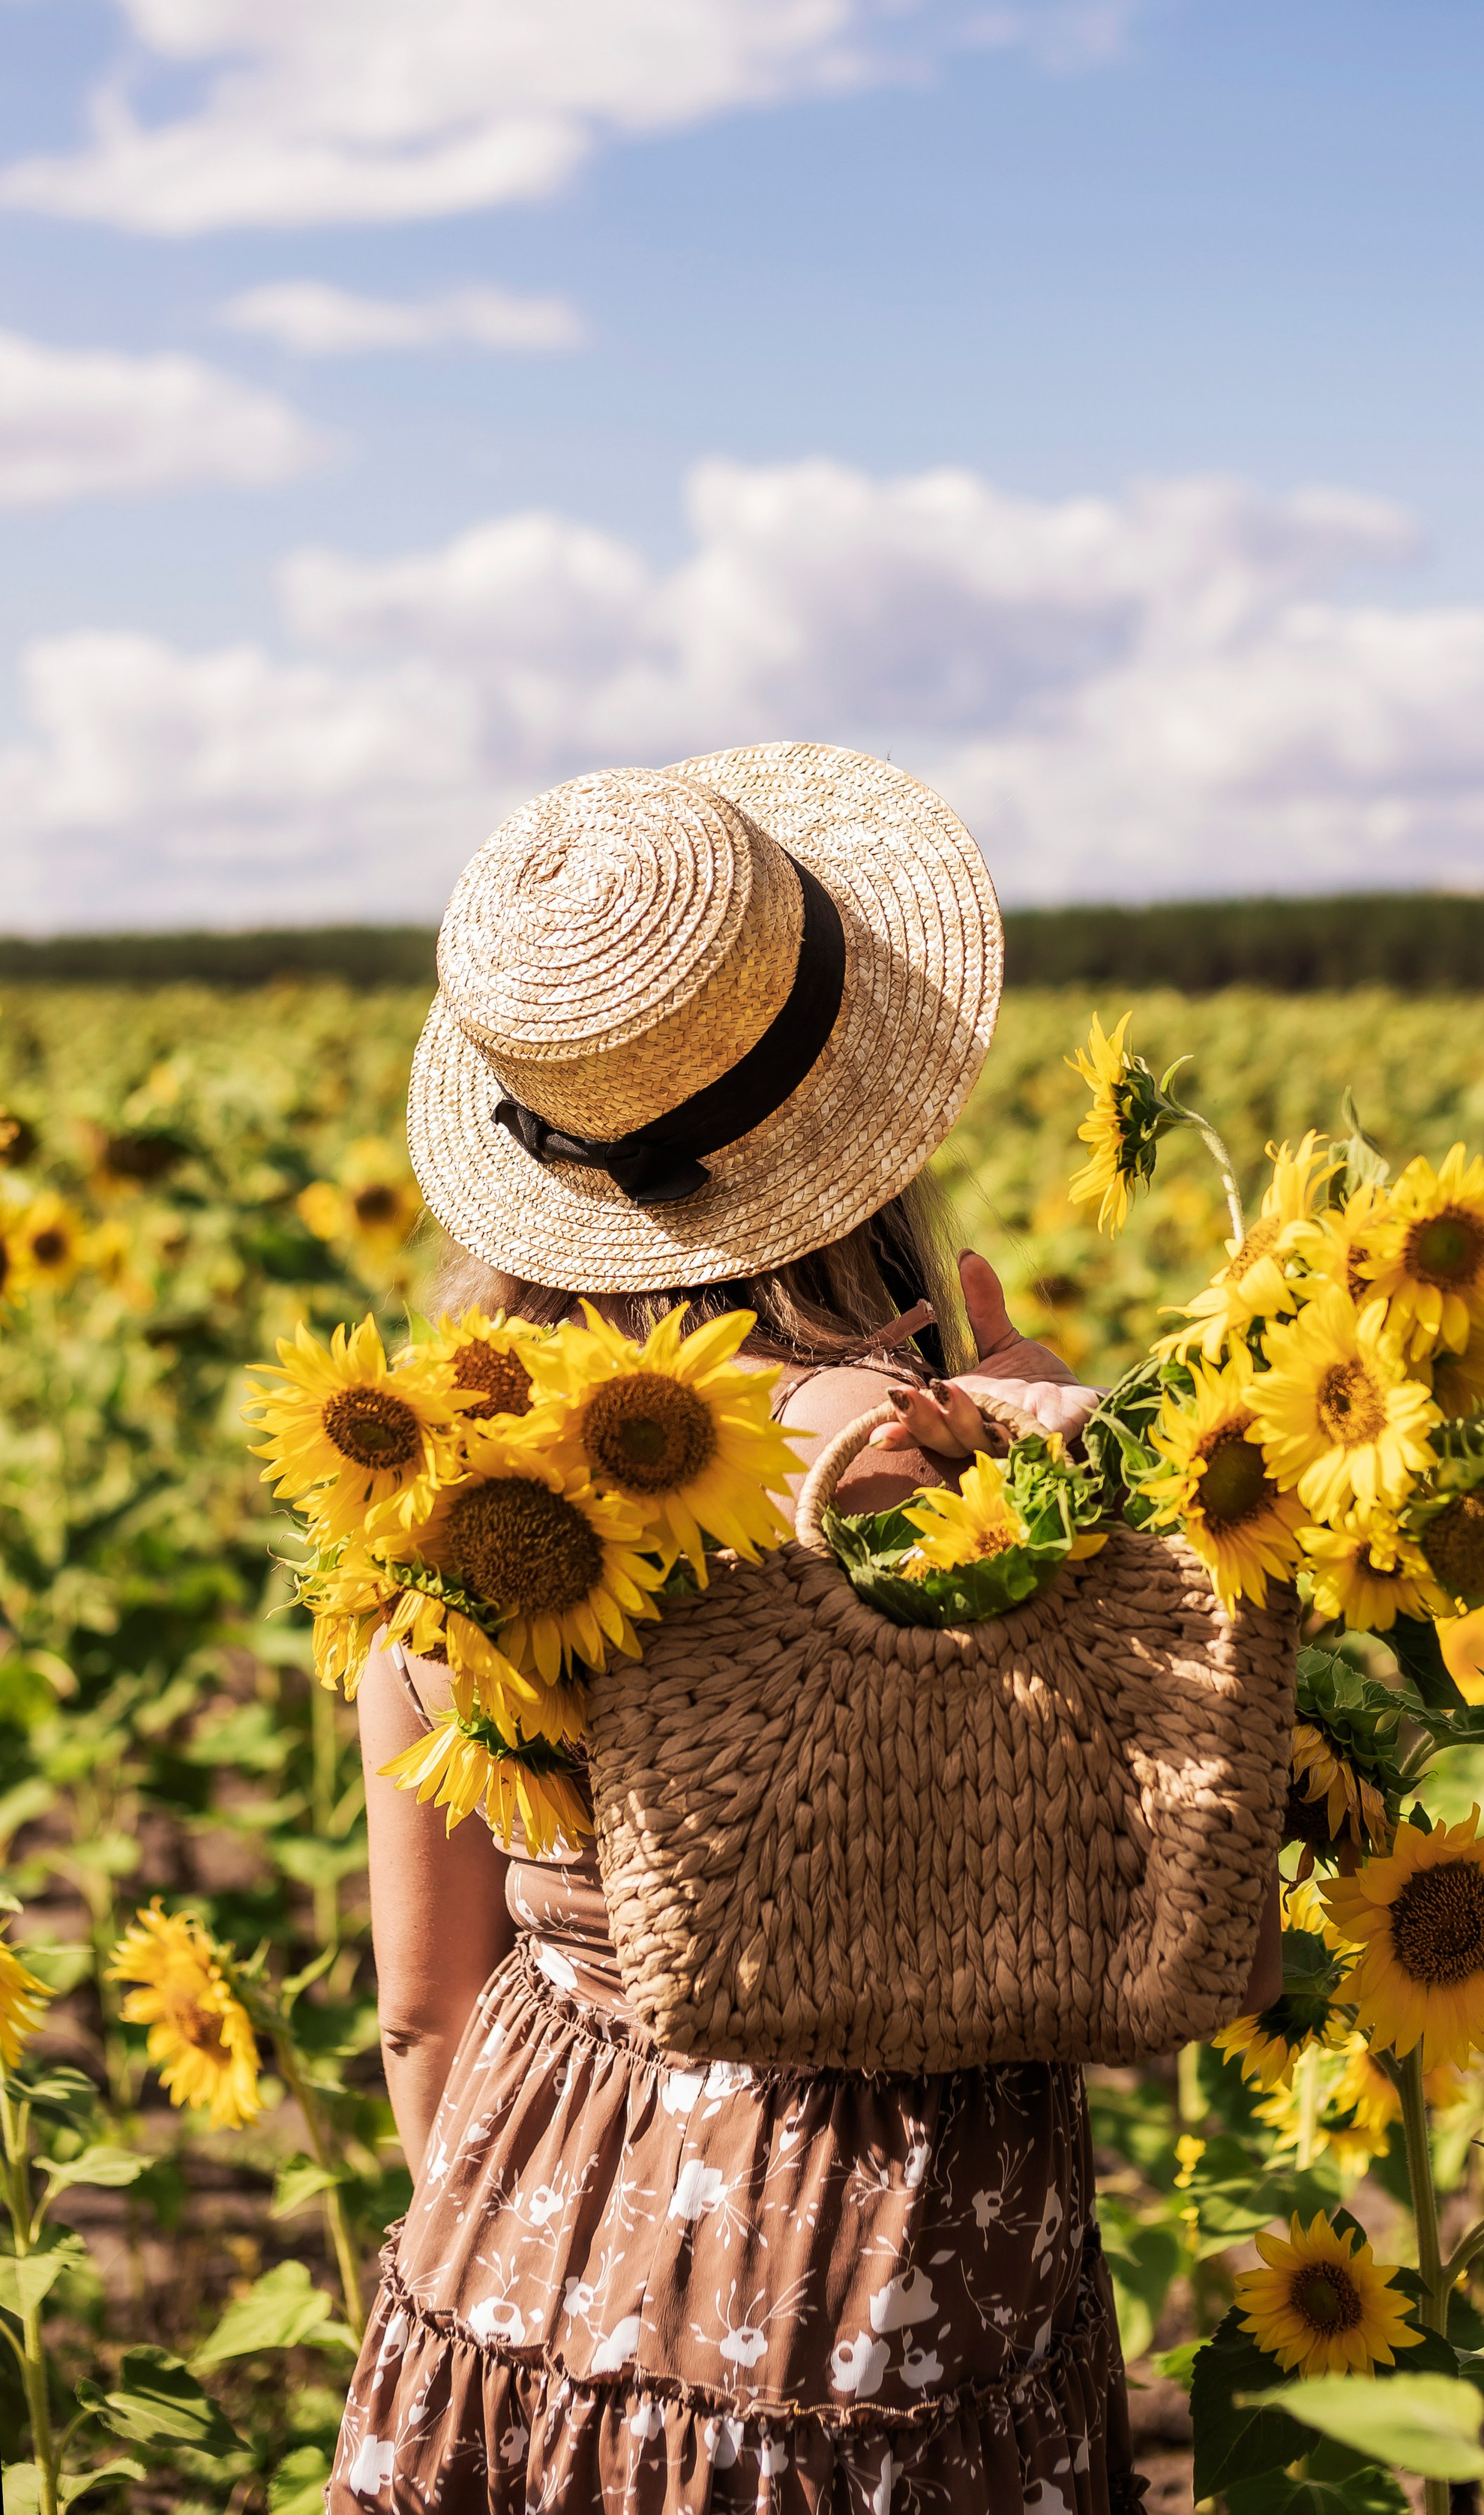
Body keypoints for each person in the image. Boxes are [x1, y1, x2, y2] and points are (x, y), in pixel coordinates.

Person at [332, 745, 1279, 2514]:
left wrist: (533, 2273)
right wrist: (1082, 1497)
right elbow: (1177, 1866)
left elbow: (420, 2007)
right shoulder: (981, 1480)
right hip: (906, 2259)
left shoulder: (449, 1497)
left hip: (528, 2216)